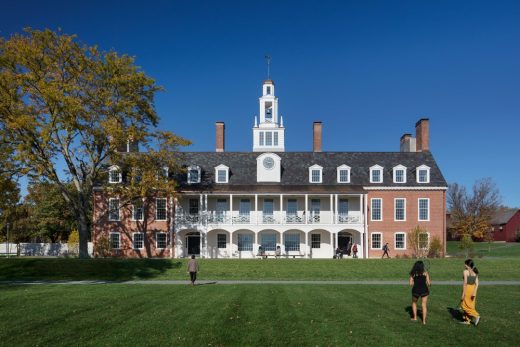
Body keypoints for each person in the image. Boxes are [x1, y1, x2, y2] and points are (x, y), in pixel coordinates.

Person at [409, 260, 431, 324]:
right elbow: (429, 283)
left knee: (414, 303)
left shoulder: (413, 273)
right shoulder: (426, 273)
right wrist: (429, 282)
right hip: (424, 290)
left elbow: (410, 283)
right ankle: (424, 321)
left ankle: (415, 318)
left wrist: (415, 282)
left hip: (415, 290)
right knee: (424, 305)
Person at [460, 258, 480, 326]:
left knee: (464, 305)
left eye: (465, 264)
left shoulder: (465, 272)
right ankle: (467, 320)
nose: (464, 265)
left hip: (467, 289)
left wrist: (463, 294)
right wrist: (474, 293)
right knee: (470, 305)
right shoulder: (475, 272)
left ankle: (476, 315)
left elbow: (465, 283)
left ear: (467, 265)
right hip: (472, 290)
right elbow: (477, 283)